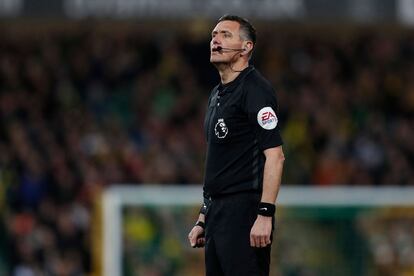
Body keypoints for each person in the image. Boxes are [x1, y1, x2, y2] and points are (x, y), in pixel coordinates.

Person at [188, 14, 285, 276]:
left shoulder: (256, 90)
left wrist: (264, 214)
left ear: (246, 47)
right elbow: (219, 163)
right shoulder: (216, 94)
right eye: (213, 35)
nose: (215, 40)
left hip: (245, 213)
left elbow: (275, 156)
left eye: (225, 35)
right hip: (218, 214)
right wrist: (203, 217)